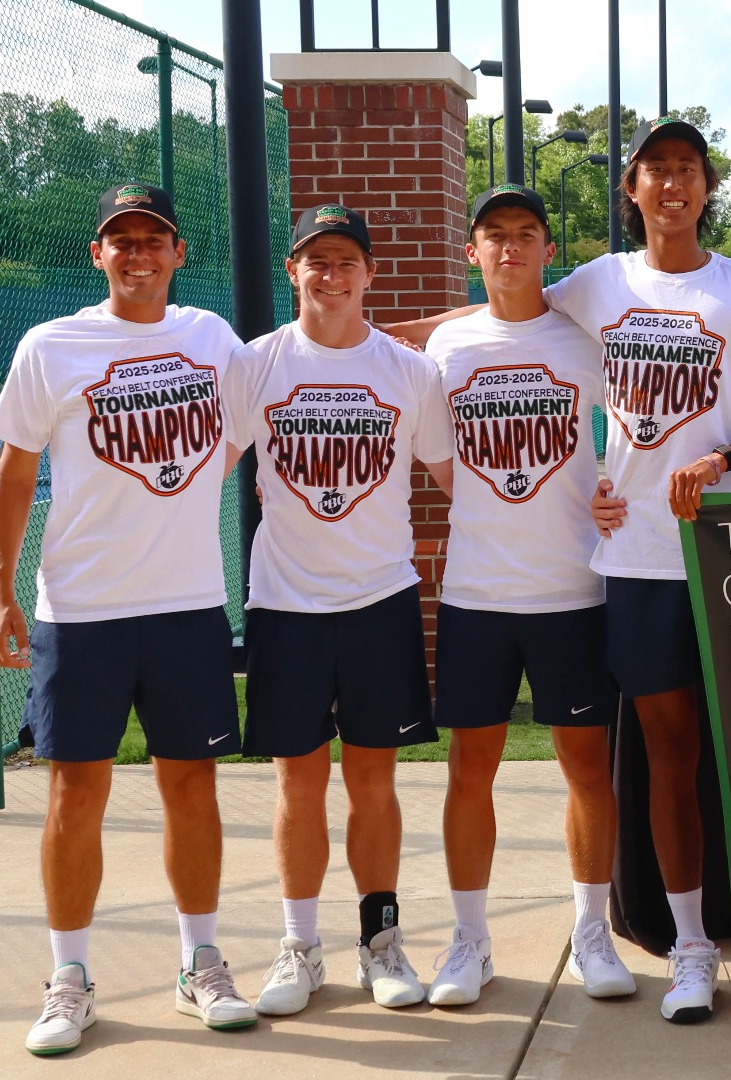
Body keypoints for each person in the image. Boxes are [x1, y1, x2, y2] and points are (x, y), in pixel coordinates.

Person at [556, 116, 731, 1022]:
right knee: (670, 755)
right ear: (630, 189)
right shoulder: (600, 282)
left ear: (708, 189)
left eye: (688, 170)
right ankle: (692, 949)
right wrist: (365, 334)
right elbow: (499, 317)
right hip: (637, 556)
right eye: (655, 170)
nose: (672, 183)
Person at [0, 182, 256, 1055]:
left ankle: (199, 964)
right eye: (121, 240)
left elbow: (242, 433)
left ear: (179, 253)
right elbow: (15, 472)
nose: (138, 253)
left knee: (193, 787)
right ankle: (68, 980)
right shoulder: (51, 344)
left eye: (154, 239)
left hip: (185, 608)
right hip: (83, 611)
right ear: (96, 255)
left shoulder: (211, 337)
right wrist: (0, 590)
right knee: (76, 793)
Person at [223, 204, 455, 1016]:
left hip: (379, 601)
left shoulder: (407, 371)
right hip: (285, 602)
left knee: (373, 780)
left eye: (345, 259)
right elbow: (207, 468)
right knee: (298, 782)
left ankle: (380, 941)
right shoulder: (254, 365)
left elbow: (454, 480)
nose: (330, 274)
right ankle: (299, 946)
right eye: (314, 260)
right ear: (293, 271)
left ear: (369, 274)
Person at [420, 184, 632, 1006]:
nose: (510, 247)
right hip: (477, 591)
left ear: (550, 249)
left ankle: (592, 933)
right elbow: (443, 464)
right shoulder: (448, 347)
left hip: (573, 587)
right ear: (471, 253)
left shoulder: (585, 339)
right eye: (494, 235)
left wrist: (611, 484)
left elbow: (647, 425)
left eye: (526, 233)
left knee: (587, 767)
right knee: (470, 769)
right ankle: (469, 941)